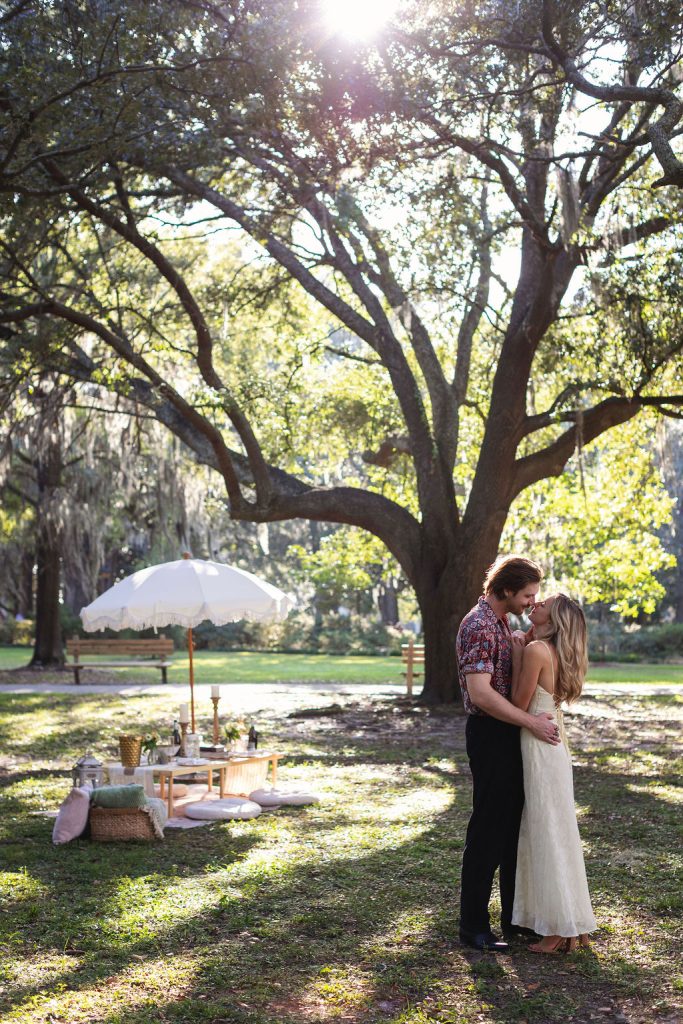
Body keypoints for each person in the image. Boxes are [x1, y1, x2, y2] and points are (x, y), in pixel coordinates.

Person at [457, 556, 561, 953]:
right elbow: (482, 695)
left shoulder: (501, 622)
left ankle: (515, 919)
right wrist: (531, 722)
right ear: (505, 590)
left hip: (509, 731)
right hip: (490, 733)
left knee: (512, 831)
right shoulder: (479, 624)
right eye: (527, 595)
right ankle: (473, 927)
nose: (531, 602)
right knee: (488, 829)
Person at [510, 593, 597, 952]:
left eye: (541, 604)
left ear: (554, 618)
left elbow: (518, 703)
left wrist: (517, 653)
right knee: (561, 833)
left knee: (546, 833)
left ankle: (558, 928)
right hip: (555, 747)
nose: (534, 605)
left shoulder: (535, 652)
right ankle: (574, 921)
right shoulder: (556, 652)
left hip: (538, 746)